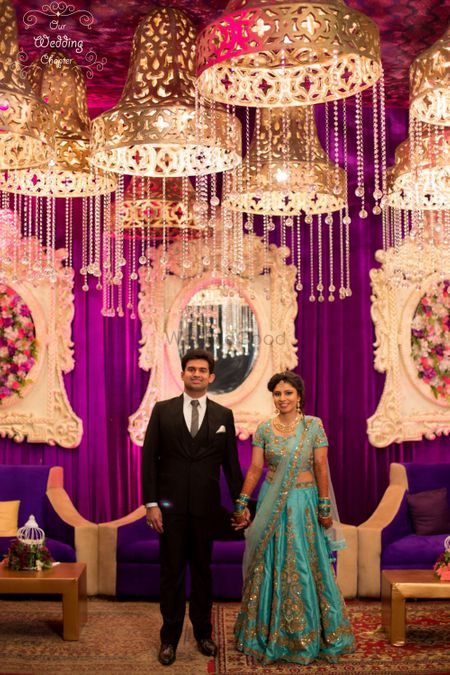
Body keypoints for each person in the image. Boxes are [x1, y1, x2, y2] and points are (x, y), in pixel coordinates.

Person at [233, 371, 355, 665]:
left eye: (288, 393)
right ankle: (265, 633)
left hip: (304, 503)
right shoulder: (263, 429)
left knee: (304, 561)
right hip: (272, 504)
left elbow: (321, 466)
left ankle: (312, 633)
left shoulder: (313, 426)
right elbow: (255, 469)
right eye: (277, 393)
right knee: (269, 562)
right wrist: (242, 501)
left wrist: (324, 506)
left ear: (299, 396)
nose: (283, 398)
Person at [142, 348, 243, 667]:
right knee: (171, 573)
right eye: (191, 369)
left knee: (202, 572)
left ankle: (203, 633)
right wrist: (151, 503)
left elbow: (232, 466)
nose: (196, 374)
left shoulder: (223, 416)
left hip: (205, 509)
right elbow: (149, 461)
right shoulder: (162, 411)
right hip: (169, 510)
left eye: (202, 370)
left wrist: (241, 504)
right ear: (183, 374)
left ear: (211, 377)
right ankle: (169, 639)